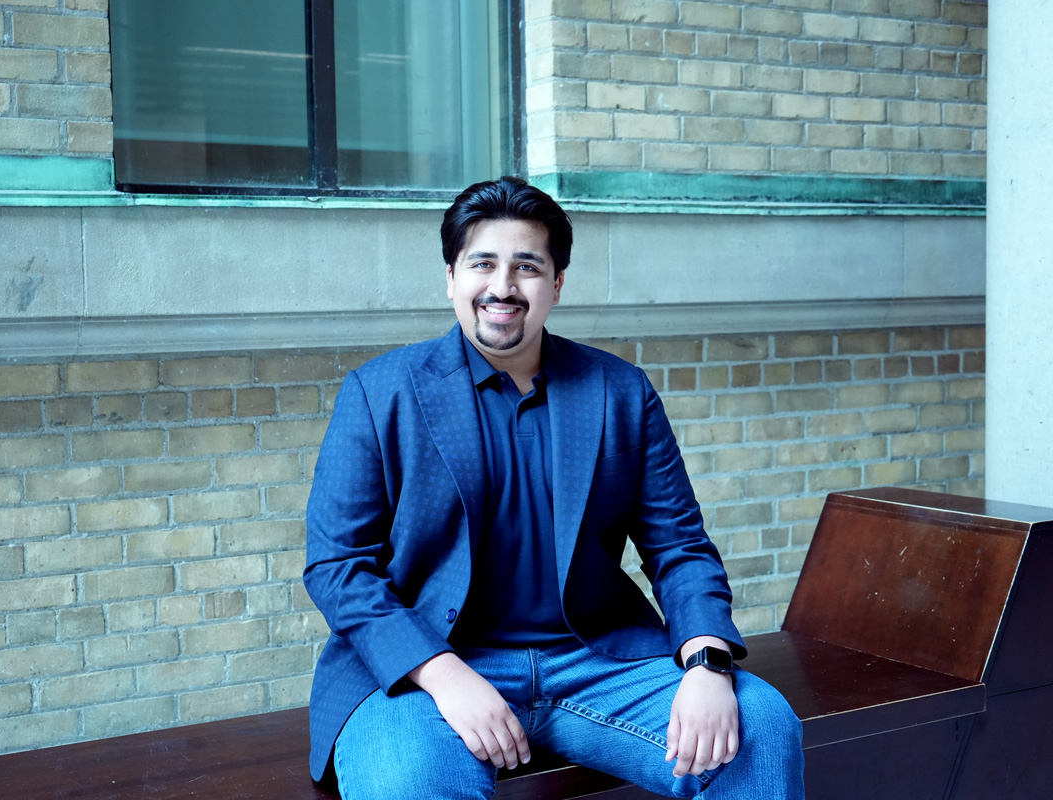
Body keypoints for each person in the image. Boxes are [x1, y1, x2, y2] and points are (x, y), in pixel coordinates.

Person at [304, 176, 804, 799]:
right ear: (451, 278)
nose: (502, 287)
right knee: (414, 784)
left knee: (760, 727)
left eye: (527, 267)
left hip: (595, 663)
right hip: (427, 668)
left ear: (557, 284)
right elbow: (338, 567)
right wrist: (442, 672)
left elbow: (679, 546)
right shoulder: (381, 394)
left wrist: (706, 662)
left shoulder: (619, 391)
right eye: (482, 263)